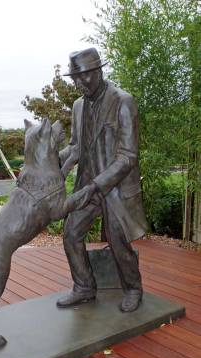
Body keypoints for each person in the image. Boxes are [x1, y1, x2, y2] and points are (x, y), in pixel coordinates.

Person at [57, 48, 147, 312]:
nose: (78, 83)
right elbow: (76, 147)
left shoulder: (123, 101)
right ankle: (84, 287)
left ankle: (133, 288)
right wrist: (54, 165)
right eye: (75, 78)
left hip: (115, 187)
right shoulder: (78, 106)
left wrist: (99, 184)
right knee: (71, 233)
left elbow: (128, 156)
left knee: (119, 242)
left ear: (98, 71)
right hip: (88, 184)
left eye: (83, 76)